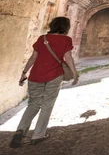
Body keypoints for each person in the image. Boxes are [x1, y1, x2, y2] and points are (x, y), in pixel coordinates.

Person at [9, 17, 79, 148]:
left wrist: (24, 73)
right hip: (54, 75)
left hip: (35, 75)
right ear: (66, 27)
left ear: (52, 25)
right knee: (47, 105)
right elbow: (68, 58)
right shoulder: (66, 40)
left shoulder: (42, 39)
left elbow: (33, 58)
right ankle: (38, 135)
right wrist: (74, 73)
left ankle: (20, 130)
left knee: (33, 104)